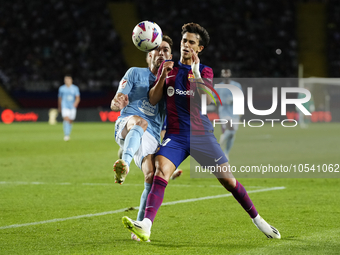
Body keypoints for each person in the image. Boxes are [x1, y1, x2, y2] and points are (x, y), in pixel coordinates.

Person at [122, 22, 281, 241]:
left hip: (202, 137)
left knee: (229, 182)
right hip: (175, 137)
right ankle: (146, 226)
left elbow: (208, 100)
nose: (186, 45)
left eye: (191, 42)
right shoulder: (168, 68)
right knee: (160, 172)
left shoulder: (205, 71)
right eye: (184, 40)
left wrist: (196, 75)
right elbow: (153, 99)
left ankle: (259, 221)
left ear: (200, 48)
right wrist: (161, 76)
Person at [111, 36, 173, 241]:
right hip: (128, 124)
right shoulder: (135, 73)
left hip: (152, 137)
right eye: (157, 50)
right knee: (140, 122)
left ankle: (138, 228)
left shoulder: (171, 82)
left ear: (170, 56)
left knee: (152, 176)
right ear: (149, 54)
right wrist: (117, 102)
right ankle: (124, 163)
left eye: (166, 50)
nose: (161, 53)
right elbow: (115, 101)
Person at [215, 69, 243, 160]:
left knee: (232, 133)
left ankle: (226, 152)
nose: (226, 75)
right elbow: (213, 99)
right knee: (230, 128)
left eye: (227, 73)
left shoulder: (236, 85)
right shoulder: (218, 87)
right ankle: (218, 147)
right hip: (223, 112)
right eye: (224, 73)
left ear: (230, 74)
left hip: (234, 112)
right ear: (222, 75)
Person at [58, 75, 80, 141]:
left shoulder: (75, 88)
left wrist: (76, 103)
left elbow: (77, 98)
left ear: (71, 80)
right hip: (64, 106)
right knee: (66, 119)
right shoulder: (61, 88)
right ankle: (66, 134)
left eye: (68, 80)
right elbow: (59, 98)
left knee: (70, 120)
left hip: (72, 107)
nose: (67, 81)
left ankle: (68, 132)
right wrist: (59, 107)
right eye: (66, 80)